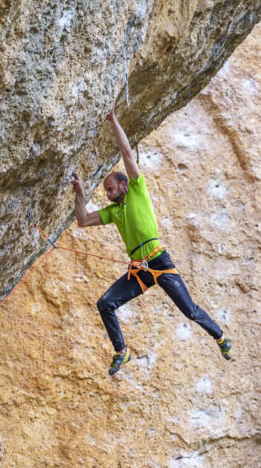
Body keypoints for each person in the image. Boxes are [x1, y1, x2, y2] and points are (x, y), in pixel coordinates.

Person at [70, 112, 234, 375]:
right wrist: (79, 193)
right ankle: (121, 352)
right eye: (106, 192)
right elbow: (82, 220)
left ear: (124, 184)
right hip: (139, 269)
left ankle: (221, 337)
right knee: (105, 303)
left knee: (190, 311)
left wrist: (113, 121)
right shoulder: (114, 211)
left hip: (159, 261)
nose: (108, 194)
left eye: (110, 189)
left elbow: (126, 152)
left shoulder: (136, 189)